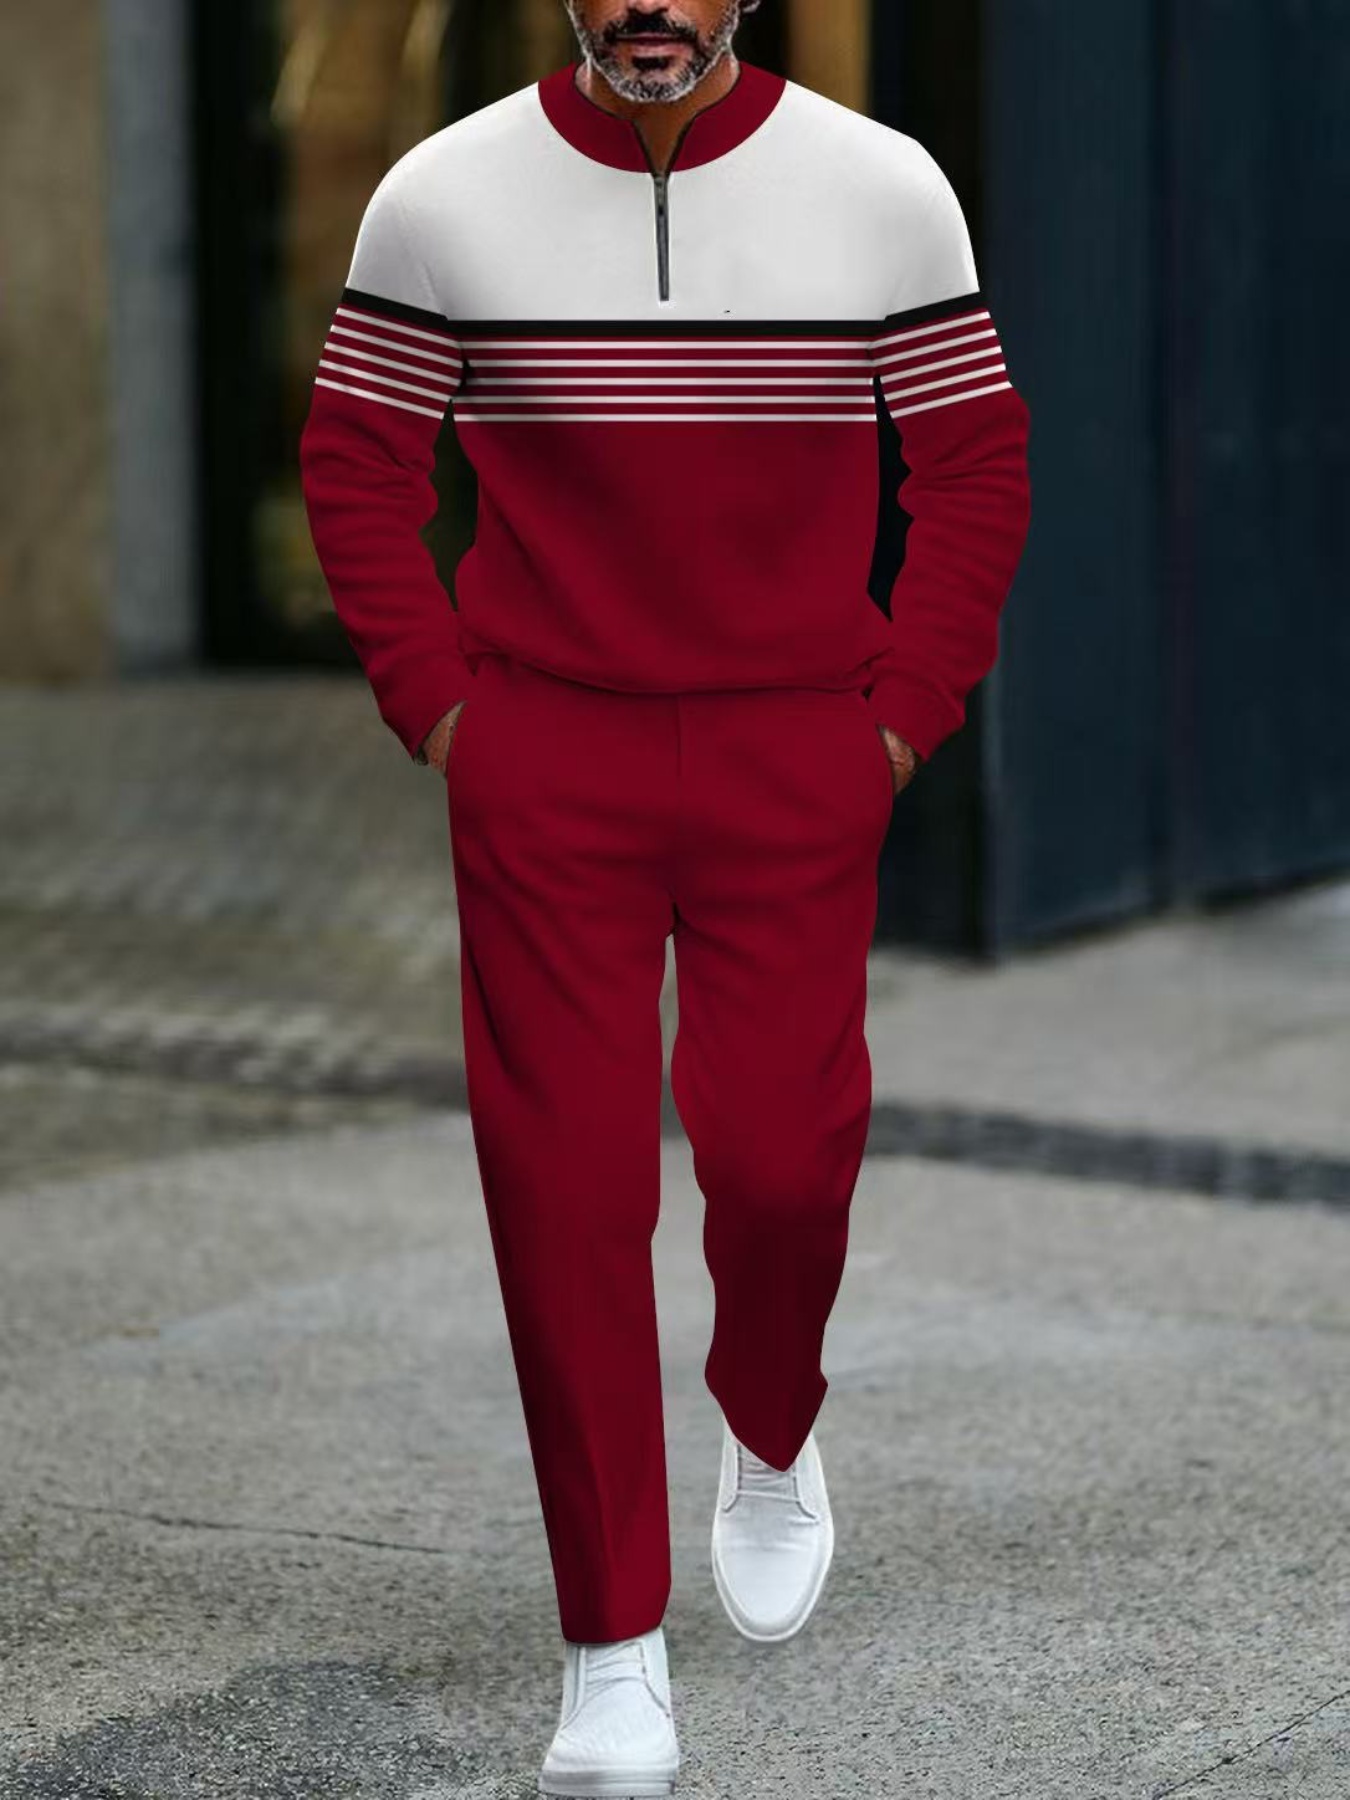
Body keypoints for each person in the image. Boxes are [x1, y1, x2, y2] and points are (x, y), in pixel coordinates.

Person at [299, 1, 1031, 1790]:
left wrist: (899, 720)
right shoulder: (439, 195)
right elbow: (356, 464)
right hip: (547, 756)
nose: (650, 1)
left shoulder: (882, 187)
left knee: (781, 1163)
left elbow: (973, 466)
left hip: (799, 750)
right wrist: (444, 711)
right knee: (561, 1192)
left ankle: (768, 1423)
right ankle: (609, 1645)